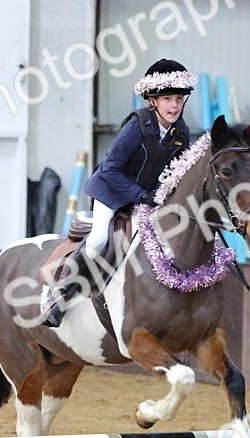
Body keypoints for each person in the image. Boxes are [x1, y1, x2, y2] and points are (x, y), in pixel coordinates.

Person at [41, 58, 197, 327]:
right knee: (99, 240)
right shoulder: (137, 124)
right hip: (111, 192)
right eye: (168, 99)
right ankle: (60, 293)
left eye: (179, 99)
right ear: (152, 101)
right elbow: (111, 169)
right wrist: (139, 195)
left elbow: (178, 173)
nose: (174, 105)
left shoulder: (181, 131)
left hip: (146, 198)